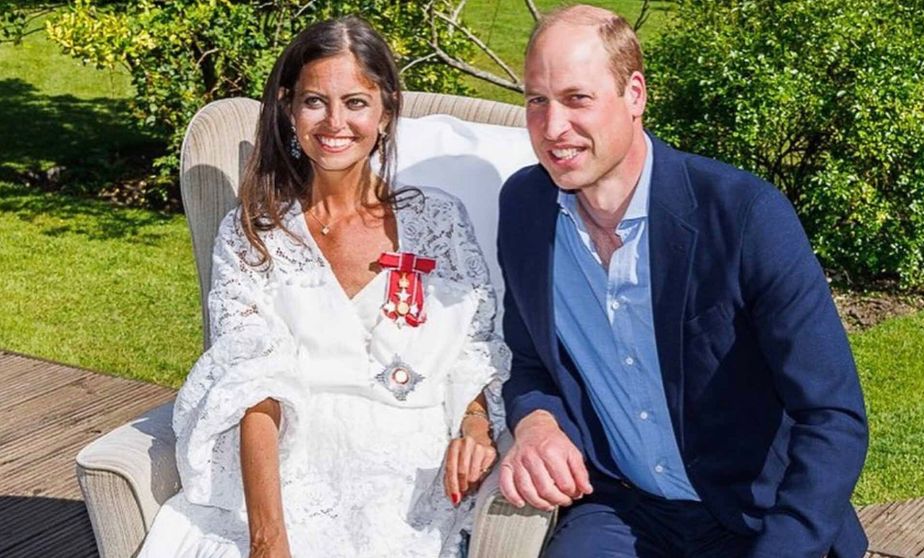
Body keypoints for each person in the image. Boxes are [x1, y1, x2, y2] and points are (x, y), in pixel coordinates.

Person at [496, 5, 869, 557]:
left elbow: (831, 414)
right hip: (624, 510)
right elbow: (530, 363)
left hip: (756, 518)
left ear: (635, 95)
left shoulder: (744, 217)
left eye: (578, 99)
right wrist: (537, 424)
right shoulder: (525, 208)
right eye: (536, 100)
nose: (553, 128)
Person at [138, 16, 509, 558]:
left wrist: (476, 425)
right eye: (315, 101)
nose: (335, 122)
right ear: (289, 109)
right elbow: (252, 387)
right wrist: (269, 542)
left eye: (356, 102)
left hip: (412, 481)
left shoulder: (439, 222)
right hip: (292, 477)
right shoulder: (253, 236)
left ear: (385, 110)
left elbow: (471, 347)